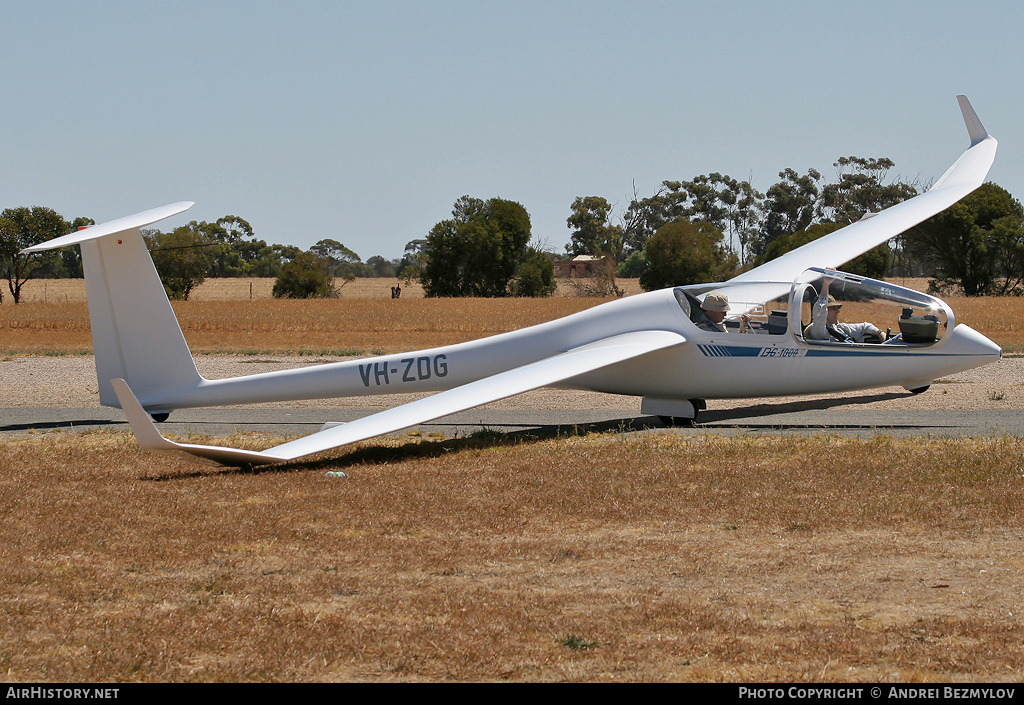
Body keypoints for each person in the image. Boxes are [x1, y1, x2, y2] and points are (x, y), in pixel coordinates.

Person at [805, 278, 886, 343]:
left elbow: (865, 326)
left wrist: (880, 333)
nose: (838, 311)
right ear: (826, 311)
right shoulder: (818, 331)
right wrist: (826, 284)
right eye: (834, 308)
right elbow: (820, 311)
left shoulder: (839, 328)